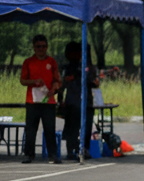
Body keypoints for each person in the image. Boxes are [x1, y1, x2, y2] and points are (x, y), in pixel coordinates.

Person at [19, 35, 61, 164]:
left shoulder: (52, 62)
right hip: (33, 100)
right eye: (38, 46)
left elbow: (57, 80)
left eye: (43, 46)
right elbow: (22, 80)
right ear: (34, 47)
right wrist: (34, 82)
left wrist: (55, 87)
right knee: (31, 129)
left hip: (48, 100)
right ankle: (29, 155)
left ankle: (52, 155)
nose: (41, 49)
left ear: (47, 47)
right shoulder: (28, 62)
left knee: (49, 128)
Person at [60, 41, 98, 161]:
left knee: (86, 128)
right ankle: (71, 150)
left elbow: (94, 83)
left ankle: (83, 149)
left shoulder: (89, 67)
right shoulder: (68, 68)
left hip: (86, 102)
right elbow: (62, 85)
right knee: (72, 128)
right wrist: (60, 99)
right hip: (72, 102)